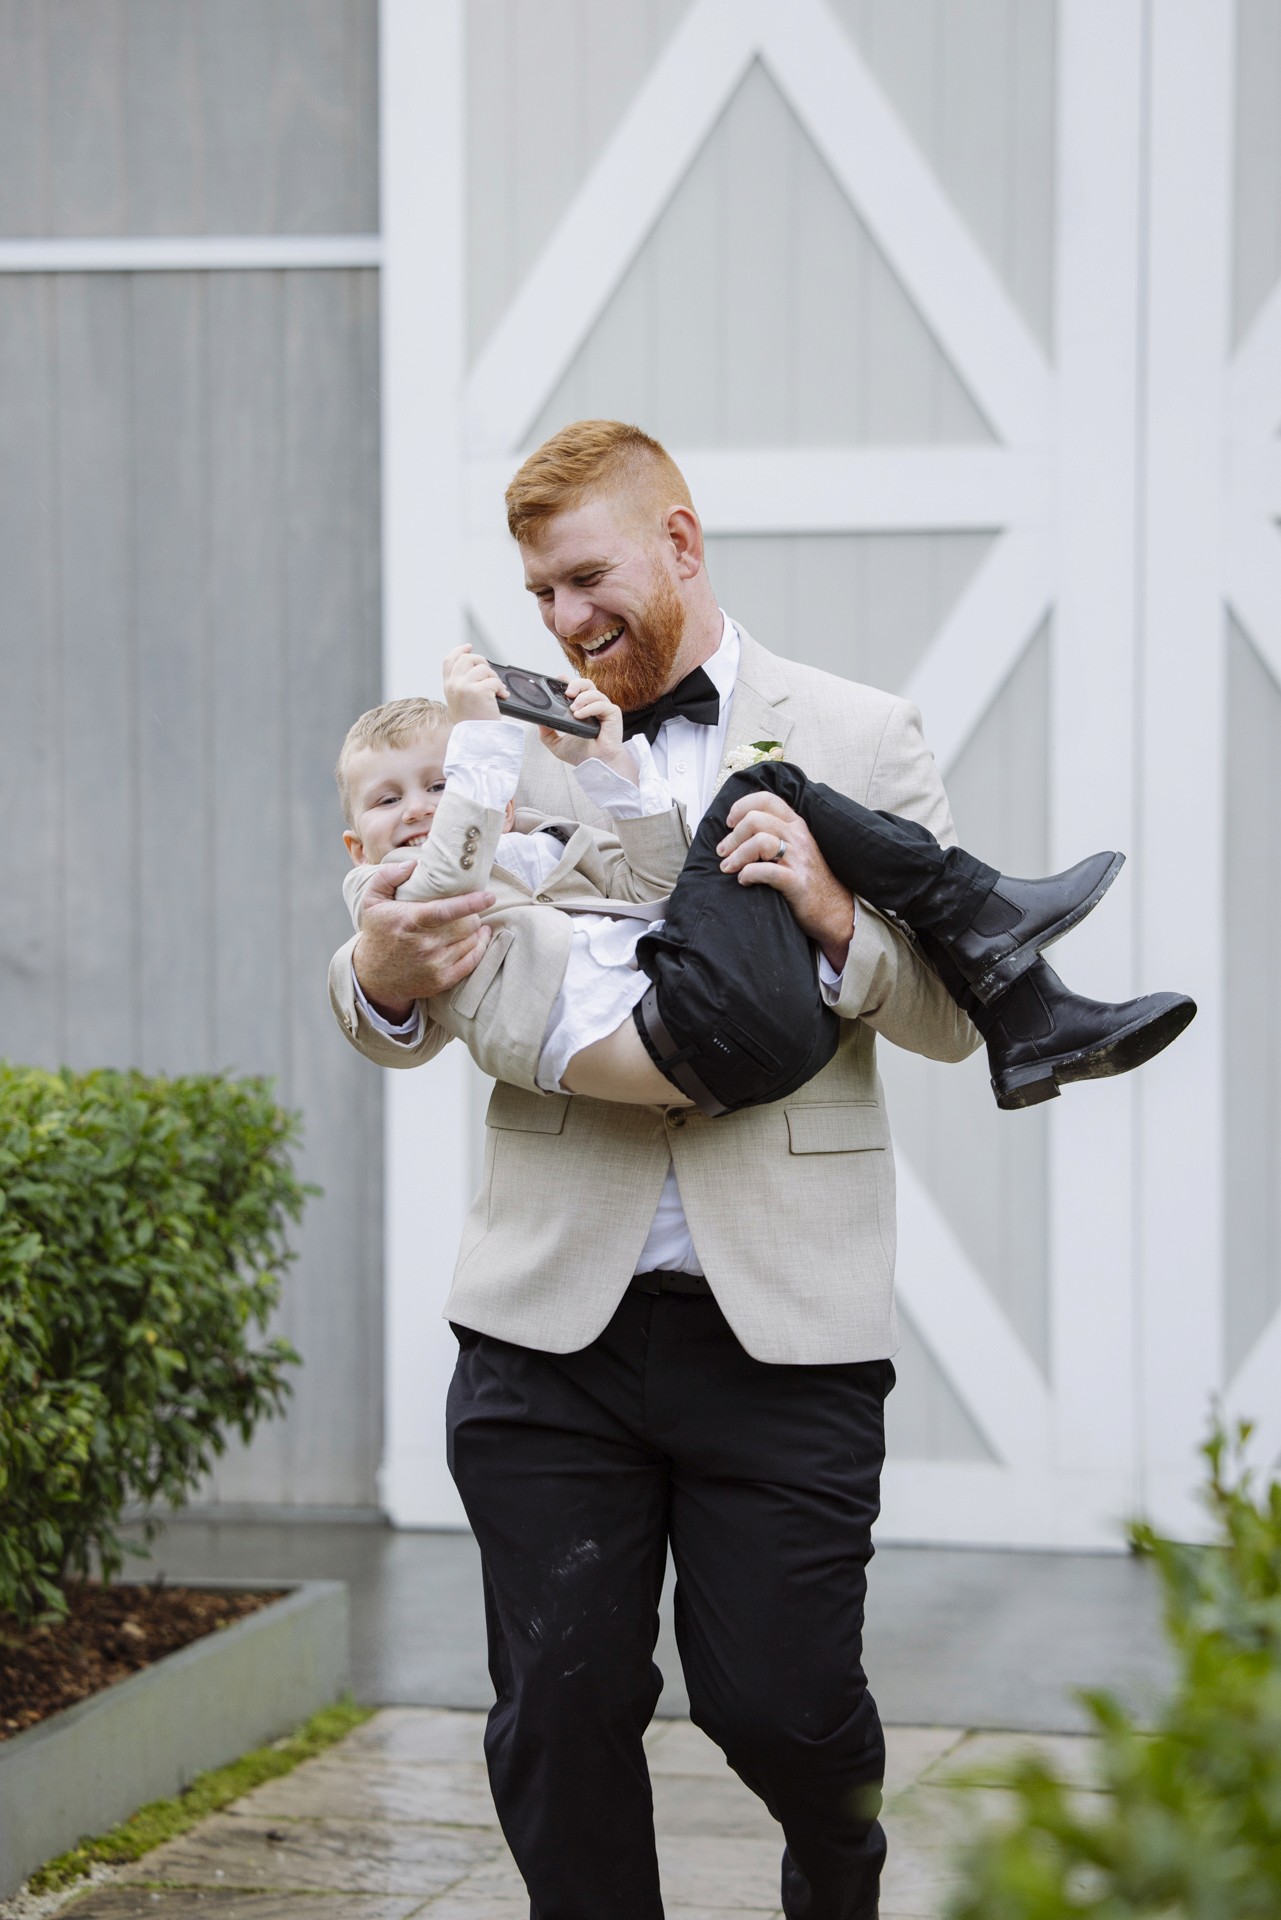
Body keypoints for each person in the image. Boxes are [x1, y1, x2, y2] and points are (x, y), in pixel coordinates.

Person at [326, 420, 1179, 1920]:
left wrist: (840, 919)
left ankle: (836, 1854)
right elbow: (397, 955)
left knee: (780, 1705)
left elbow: (929, 1017)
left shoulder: (862, 729)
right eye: (536, 594)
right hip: (548, 1323)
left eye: (586, 578)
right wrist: (385, 971)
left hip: (784, 1321)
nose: (564, 621)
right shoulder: (516, 737)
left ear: (681, 540)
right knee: (563, 1707)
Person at [337, 653, 1193, 1116]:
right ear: (354, 842)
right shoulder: (396, 891)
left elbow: (668, 884)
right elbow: (438, 887)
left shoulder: (532, 843)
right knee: (762, 790)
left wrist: (606, 766)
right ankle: (992, 925)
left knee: (759, 807)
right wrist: (478, 744)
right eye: (388, 797)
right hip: (667, 1045)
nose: (418, 810)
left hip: (751, 1040)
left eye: (439, 784)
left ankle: (1023, 1008)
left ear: (677, 540)